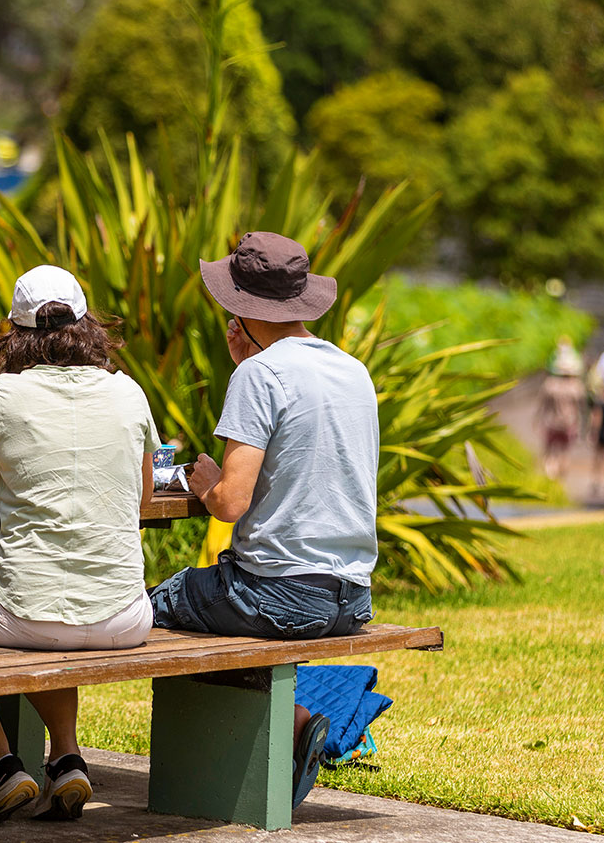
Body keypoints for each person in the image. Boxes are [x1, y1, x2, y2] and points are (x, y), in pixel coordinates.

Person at [0, 264, 160, 824]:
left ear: (15, 330)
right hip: (126, 615)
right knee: (58, 626)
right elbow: (145, 494)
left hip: (20, 610)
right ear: (87, 323)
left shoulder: (2, 393)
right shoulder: (127, 391)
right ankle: (66, 760)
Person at [147, 231, 379, 810]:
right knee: (206, 605)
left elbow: (230, 503)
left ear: (239, 310)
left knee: (146, 607)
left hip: (278, 596)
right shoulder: (354, 371)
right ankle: (293, 724)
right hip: (351, 598)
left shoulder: (257, 375)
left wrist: (203, 483)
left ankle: (282, 729)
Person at [536, 338, 587, 479]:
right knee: (565, 452)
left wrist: (537, 421)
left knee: (550, 453)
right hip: (568, 423)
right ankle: (560, 480)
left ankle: (550, 479)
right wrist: (583, 426)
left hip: (551, 423)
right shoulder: (577, 387)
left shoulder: (550, 384)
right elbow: (582, 409)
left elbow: (542, 407)